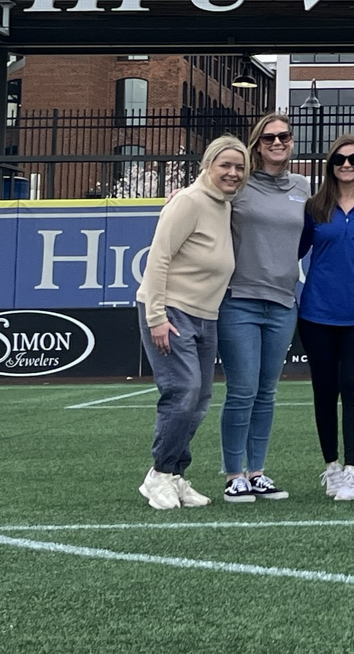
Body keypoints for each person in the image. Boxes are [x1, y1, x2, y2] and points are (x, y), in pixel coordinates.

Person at [135, 135, 248, 510]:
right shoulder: (188, 201)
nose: (233, 173)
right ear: (208, 166)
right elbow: (158, 258)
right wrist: (156, 317)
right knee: (182, 393)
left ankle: (175, 474)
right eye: (225, 165)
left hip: (206, 316)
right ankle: (159, 475)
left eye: (239, 167)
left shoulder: (225, 204)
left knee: (198, 401)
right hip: (172, 312)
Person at [217, 114, 311, 503]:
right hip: (239, 300)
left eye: (284, 136)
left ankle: (256, 472)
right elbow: (203, 199)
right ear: (257, 144)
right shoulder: (239, 184)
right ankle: (233, 474)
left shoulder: (303, 186)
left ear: (291, 141)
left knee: (266, 392)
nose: (277, 142)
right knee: (242, 391)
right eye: (269, 137)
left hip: (284, 303)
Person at [300, 133, 354, 502]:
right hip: (317, 314)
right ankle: (332, 466)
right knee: (324, 391)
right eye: (339, 159)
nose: (347, 165)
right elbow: (288, 250)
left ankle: (352, 470)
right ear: (330, 166)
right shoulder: (314, 209)